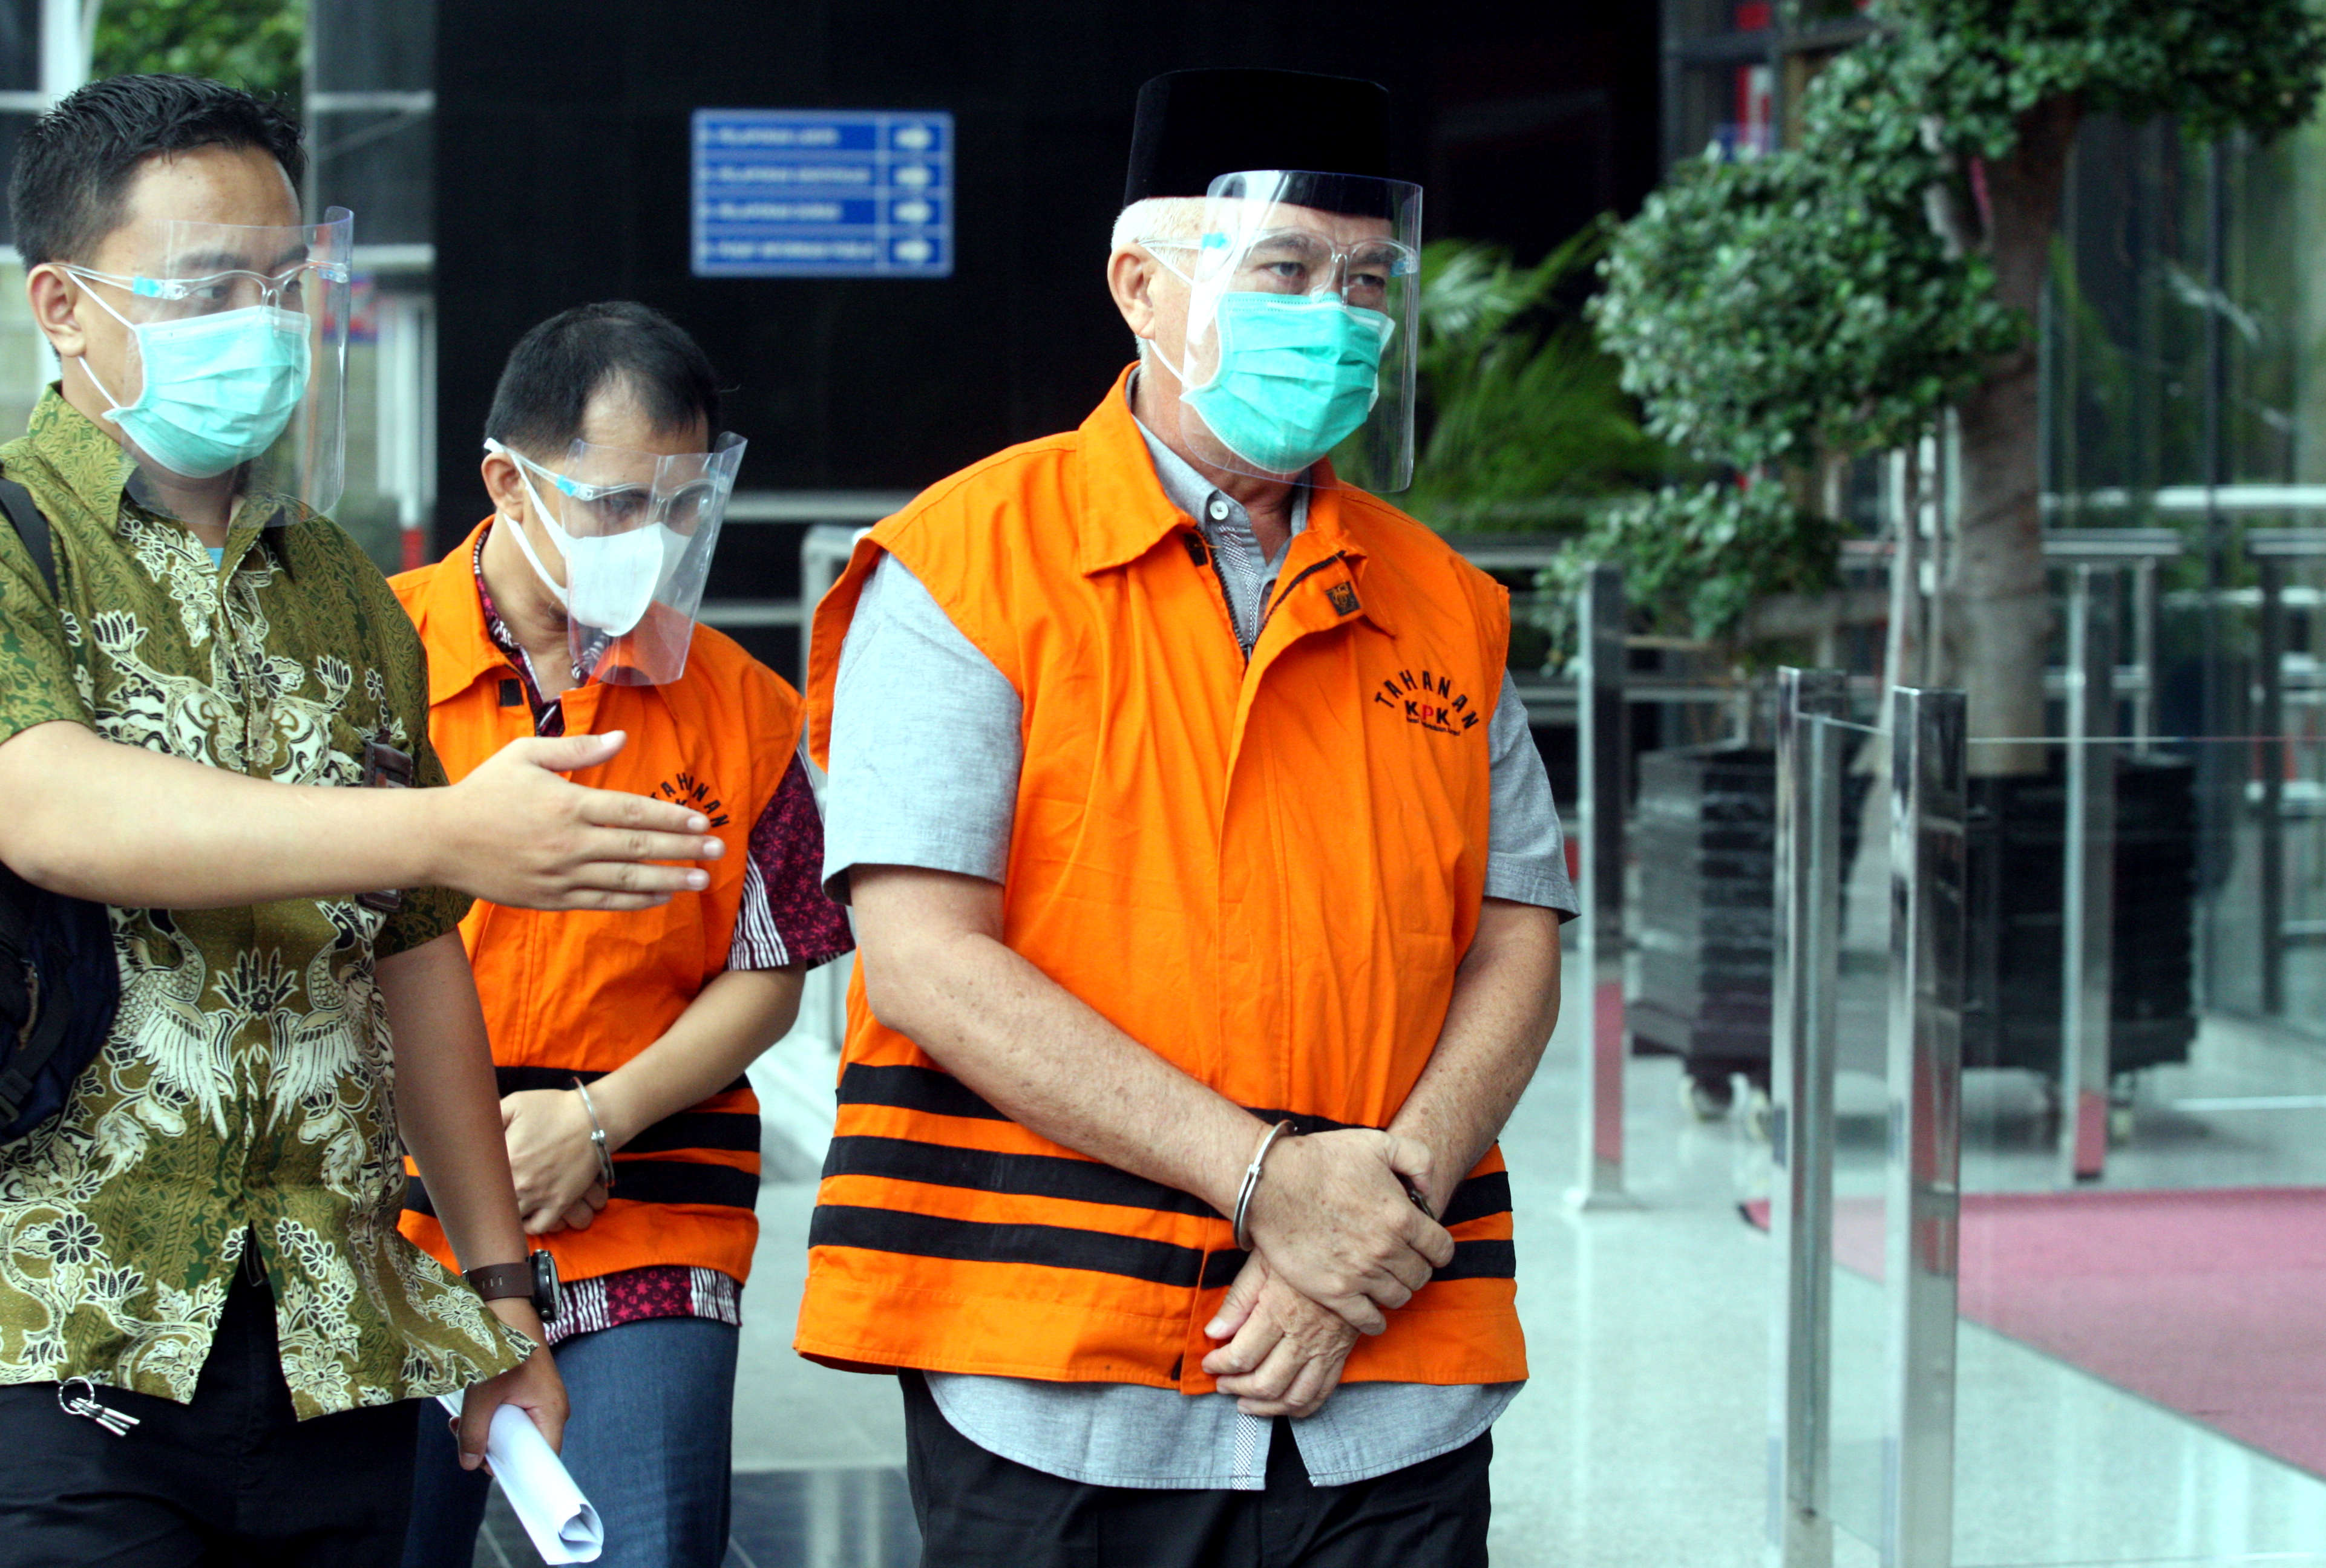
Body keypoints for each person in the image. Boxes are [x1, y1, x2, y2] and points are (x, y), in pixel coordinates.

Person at [796, 67, 1575, 1568]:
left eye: (1365, 282)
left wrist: (1363, 1227)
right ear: (1141, 287)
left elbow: (1517, 941)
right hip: (1057, 1362)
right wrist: (1268, 1182)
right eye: (1283, 269)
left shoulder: (1443, 604)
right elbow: (927, 960)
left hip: (1395, 1383)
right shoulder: (970, 567)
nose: (1337, 317)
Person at [0, 76, 729, 1567]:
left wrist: (503, 1295)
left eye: (286, 284)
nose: (266, 325)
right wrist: (439, 835)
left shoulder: (340, 586)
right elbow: (43, 799)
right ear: (63, 306)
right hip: (60, 1328)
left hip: (336, 1341)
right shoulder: (19, 538)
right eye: (212, 288)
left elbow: (416, 965)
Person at [395, 302, 854, 1568]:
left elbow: (771, 972)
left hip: (646, 1196)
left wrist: (596, 1119)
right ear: (508, 481)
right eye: (613, 504)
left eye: (685, 506)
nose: (651, 543)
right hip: (390, 1215)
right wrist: (466, 1153)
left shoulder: (744, 709)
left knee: (643, 1543)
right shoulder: (371, 660)